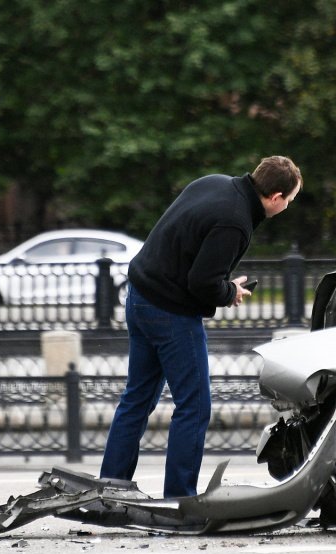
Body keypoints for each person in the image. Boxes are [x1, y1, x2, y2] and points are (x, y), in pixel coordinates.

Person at [99, 156, 302, 498]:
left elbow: (183, 246)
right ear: (276, 197)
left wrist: (222, 284)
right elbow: (202, 283)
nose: (288, 206)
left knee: (137, 400)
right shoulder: (236, 222)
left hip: (139, 296)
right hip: (170, 312)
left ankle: (110, 488)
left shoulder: (214, 182)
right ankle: (180, 498)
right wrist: (229, 292)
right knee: (194, 407)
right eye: (290, 200)